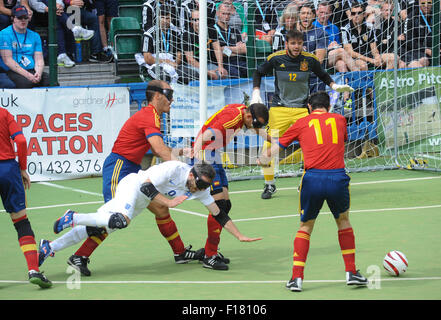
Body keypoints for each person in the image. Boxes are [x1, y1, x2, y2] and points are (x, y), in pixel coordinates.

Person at [56, 80, 194, 276]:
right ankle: (77, 255)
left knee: (161, 209)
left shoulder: (154, 116)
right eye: (169, 94)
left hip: (131, 169)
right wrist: (187, 172)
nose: (172, 99)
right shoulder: (149, 115)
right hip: (119, 169)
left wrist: (181, 152)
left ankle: (180, 253)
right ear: (156, 96)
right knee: (113, 218)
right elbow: (159, 149)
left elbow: (161, 149)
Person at [39, 161, 262, 269]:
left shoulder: (200, 190)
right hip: (133, 186)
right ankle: (73, 216)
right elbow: (146, 187)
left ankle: (50, 246)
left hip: (143, 199)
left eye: (204, 187)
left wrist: (239, 235)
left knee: (103, 225)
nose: (199, 190)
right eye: (198, 185)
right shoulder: (175, 169)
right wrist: (168, 202)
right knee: (119, 221)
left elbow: (219, 215)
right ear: (193, 174)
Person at [258, 91, 368, 292]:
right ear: (328, 106)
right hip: (338, 178)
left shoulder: (302, 123)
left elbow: (279, 146)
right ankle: (351, 272)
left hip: (312, 179)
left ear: (309, 106)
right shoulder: (340, 119)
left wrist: (264, 158)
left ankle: (296, 278)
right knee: (343, 222)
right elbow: (340, 139)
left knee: (305, 226)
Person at [250, 29, 354, 200]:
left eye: (299, 43)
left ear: (302, 44)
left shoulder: (310, 60)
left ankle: (306, 182)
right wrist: (255, 92)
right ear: (286, 44)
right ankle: (269, 185)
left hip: (301, 110)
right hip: (279, 109)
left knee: (313, 147)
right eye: (293, 43)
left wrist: (335, 86)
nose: (296, 46)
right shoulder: (276, 59)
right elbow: (258, 72)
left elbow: (323, 75)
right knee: (267, 147)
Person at [191, 102, 270, 270]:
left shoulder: (244, 112)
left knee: (226, 204)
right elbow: (205, 135)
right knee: (218, 205)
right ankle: (209, 255)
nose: (257, 128)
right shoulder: (232, 118)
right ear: (249, 117)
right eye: (257, 124)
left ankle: (209, 251)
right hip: (206, 153)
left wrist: (277, 140)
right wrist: (198, 161)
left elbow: (258, 129)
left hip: (214, 152)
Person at [0, 107, 52, 288]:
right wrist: (22, 168)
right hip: (7, 171)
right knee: (21, 222)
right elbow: (20, 141)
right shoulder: (3, 113)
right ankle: (33, 271)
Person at [28, 0, 95, 68]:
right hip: (40, 13)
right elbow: (33, 3)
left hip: (57, 12)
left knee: (57, 18)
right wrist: (49, 8)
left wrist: (58, 6)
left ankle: (62, 54)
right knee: (56, 12)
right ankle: (74, 30)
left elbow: (60, 2)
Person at [0, 5, 50, 88]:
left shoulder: (35, 35)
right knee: (27, 83)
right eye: (19, 18)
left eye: (25, 17)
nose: (23, 20)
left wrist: (38, 73)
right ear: (13, 19)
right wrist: (28, 75)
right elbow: (8, 61)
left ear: (29, 18)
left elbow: (39, 59)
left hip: (31, 69)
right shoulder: (4, 34)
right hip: (12, 71)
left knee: (50, 81)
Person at [178, 9, 226, 84]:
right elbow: (190, 60)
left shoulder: (211, 30)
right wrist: (207, 72)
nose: (197, 22)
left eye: (199, 19)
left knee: (222, 74)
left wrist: (220, 66)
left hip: (208, 64)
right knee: (199, 75)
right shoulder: (186, 35)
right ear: (191, 21)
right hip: (192, 65)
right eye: (194, 20)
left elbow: (217, 49)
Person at [341, 2, 389, 71]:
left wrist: (377, 57)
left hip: (369, 55)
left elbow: (374, 49)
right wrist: (370, 60)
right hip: (355, 58)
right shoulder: (345, 29)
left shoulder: (369, 27)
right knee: (363, 65)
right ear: (351, 15)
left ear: (364, 14)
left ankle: (384, 79)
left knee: (393, 58)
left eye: (359, 13)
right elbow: (350, 52)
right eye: (353, 13)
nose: (356, 16)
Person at [313, 1, 359, 73]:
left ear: (331, 13)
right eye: (321, 12)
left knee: (341, 64)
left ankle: (347, 83)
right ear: (316, 12)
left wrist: (336, 45)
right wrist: (327, 47)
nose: (323, 15)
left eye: (326, 13)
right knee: (341, 51)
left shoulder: (334, 28)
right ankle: (358, 75)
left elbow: (338, 45)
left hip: (332, 57)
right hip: (319, 58)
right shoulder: (312, 27)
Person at [141, 5, 182, 84]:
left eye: (167, 18)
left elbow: (179, 54)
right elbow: (148, 59)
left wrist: (175, 64)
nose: (165, 20)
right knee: (165, 77)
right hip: (154, 65)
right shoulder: (149, 34)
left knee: (193, 75)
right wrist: (166, 61)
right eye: (162, 17)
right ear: (157, 18)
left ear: (171, 18)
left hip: (173, 65)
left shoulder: (176, 33)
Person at [401, 0, 441, 68]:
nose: (426, 6)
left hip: (435, 50)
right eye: (423, 3)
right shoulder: (411, 17)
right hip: (417, 51)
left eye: (429, 3)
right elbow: (409, 41)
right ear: (419, 3)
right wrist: (426, 50)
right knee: (423, 61)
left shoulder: (438, 16)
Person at [296, 3, 327, 92]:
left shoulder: (321, 33)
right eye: (303, 13)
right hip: (297, 76)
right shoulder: (292, 34)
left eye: (308, 13)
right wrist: (298, 34)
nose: (305, 16)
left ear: (313, 16)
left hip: (316, 77)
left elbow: (319, 60)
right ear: (299, 15)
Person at [211, 2, 247, 78]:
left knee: (253, 69)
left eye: (228, 14)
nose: (226, 16)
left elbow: (244, 49)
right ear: (217, 13)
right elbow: (217, 51)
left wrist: (226, 48)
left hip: (237, 61)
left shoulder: (234, 30)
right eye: (223, 14)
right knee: (235, 73)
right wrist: (236, 49)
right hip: (222, 63)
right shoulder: (212, 30)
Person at [375, 1, 406, 69]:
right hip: (383, 54)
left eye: (390, 10)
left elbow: (402, 40)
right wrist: (395, 39)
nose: (388, 13)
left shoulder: (397, 23)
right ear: (381, 10)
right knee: (394, 59)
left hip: (397, 52)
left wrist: (387, 41)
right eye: (386, 10)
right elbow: (380, 46)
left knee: (402, 65)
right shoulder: (377, 24)